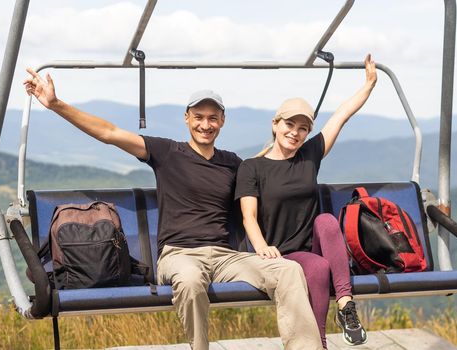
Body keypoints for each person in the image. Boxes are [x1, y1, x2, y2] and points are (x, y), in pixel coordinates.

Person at [23, 68, 322, 350]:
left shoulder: (233, 163)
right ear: (187, 118)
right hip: (179, 256)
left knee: (288, 271)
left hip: (225, 258)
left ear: (223, 121)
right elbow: (110, 132)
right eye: (199, 117)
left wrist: (304, 157)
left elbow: (270, 176)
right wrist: (56, 104)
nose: (206, 124)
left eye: (213, 118)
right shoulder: (167, 153)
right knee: (191, 282)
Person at [234, 54, 378, 348]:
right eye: (289, 124)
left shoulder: (309, 156)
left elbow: (341, 115)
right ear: (275, 124)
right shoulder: (252, 167)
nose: (295, 132)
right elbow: (248, 216)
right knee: (316, 267)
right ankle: (319, 342)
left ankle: (345, 306)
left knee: (325, 221)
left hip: (310, 246)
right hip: (279, 255)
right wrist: (262, 248)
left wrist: (369, 84)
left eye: (303, 128)